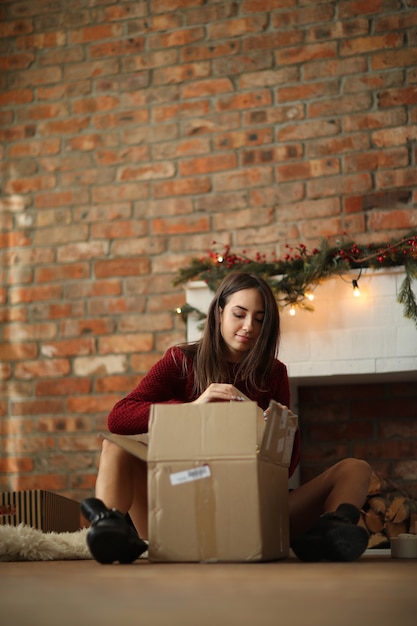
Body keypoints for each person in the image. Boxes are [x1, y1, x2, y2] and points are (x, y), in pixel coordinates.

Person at [81, 272, 371, 564]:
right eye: (239, 314)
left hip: (254, 511)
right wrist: (193, 407)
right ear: (219, 312)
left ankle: (332, 533)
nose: (249, 327)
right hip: (186, 503)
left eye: (259, 319)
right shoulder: (181, 360)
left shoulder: (273, 373)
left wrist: (277, 433)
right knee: (115, 445)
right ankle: (110, 528)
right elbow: (118, 418)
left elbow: (286, 467)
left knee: (355, 468)